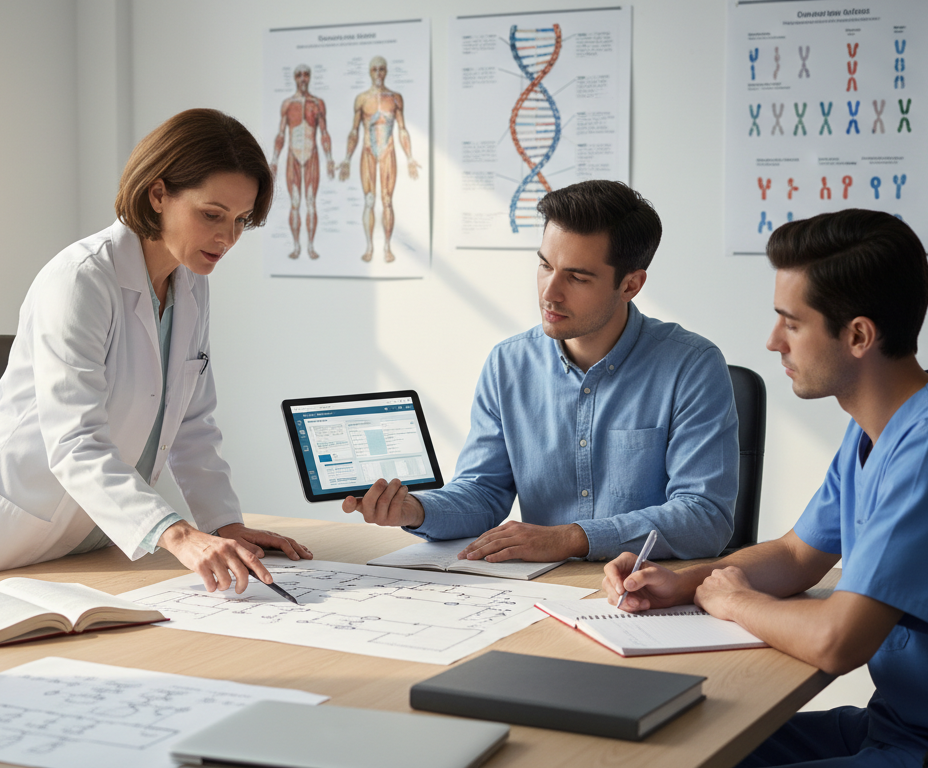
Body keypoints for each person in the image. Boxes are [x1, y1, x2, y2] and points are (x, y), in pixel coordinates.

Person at [603, 209, 928, 767]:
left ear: (857, 335)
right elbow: (796, 554)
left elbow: (839, 641)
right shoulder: (879, 425)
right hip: (905, 727)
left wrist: (734, 600)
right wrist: (683, 582)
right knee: (686, 748)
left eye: (791, 323)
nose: (771, 342)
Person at [0, 109, 312, 593]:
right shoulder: (81, 279)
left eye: (241, 221)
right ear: (158, 193)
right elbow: (74, 440)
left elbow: (191, 423)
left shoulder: (190, 283)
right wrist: (180, 534)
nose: (226, 238)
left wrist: (225, 524)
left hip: (94, 538)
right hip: (11, 533)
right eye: (211, 215)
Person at [342, 180, 739, 562]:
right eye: (545, 266)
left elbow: (705, 516)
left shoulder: (692, 366)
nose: (550, 292)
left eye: (578, 277)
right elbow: (483, 492)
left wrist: (570, 538)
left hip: (645, 590)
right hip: (537, 590)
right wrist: (416, 510)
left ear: (631, 285)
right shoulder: (508, 364)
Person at [337, 55, 420, 263]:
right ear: (369, 71)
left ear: (387, 71)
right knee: (369, 200)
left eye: (381, 69)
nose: (378, 74)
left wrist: (410, 157)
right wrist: (347, 158)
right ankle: (369, 246)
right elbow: (354, 131)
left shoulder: (395, 98)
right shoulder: (362, 99)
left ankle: (387, 247)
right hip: (368, 152)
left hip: (387, 152)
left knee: (387, 201)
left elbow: (402, 129)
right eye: (374, 69)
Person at [270, 64, 334, 260]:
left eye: (306, 74)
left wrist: (329, 158)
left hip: (312, 156)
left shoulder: (317, 103)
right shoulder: (288, 104)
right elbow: (281, 134)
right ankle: (297, 246)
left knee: (311, 203)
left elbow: (324, 132)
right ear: (295, 78)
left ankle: (311, 246)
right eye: (299, 75)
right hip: (293, 157)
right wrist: (274, 160)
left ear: (310, 77)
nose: (303, 78)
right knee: (296, 203)